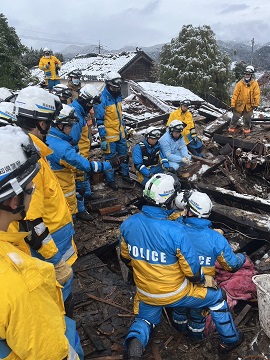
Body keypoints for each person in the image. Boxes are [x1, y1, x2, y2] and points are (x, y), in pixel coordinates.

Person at [119, 173, 244, 359]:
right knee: (217, 298)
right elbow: (192, 272)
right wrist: (205, 280)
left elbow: (125, 258)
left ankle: (135, 340)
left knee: (145, 319)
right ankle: (230, 339)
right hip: (176, 291)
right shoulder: (176, 231)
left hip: (146, 292)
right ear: (168, 201)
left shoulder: (129, 224)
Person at [0, 125, 82, 359]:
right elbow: (53, 352)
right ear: (13, 200)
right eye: (29, 188)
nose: (33, 190)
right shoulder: (22, 284)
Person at [14, 86, 77, 314]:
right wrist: (56, 260)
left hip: (55, 239)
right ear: (41, 122)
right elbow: (31, 221)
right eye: (49, 121)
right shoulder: (31, 160)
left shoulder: (24, 149)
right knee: (59, 295)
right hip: (52, 245)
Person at [171, 190, 246, 341]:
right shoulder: (216, 238)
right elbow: (231, 266)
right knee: (198, 315)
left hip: (177, 284)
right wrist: (242, 257)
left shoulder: (173, 228)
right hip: (202, 286)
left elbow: (174, 217)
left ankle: (178, 329)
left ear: (190, 212)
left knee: (179, 310)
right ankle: (196, 338)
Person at [46, 104, 114, 220]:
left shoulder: (48, 137)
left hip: (51, 187)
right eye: (70, 126)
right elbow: (85, 166)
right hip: (62, 189)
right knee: (67, 216)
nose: (72, 129)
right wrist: (108, 164)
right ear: (60, 125)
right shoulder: (62, 148)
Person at [94, 71, 133, 190]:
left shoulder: (118, 96)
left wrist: (124, 130)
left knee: (124, 156)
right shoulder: (102, 99)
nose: (115, 89)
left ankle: (125, 175)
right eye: (113, 87)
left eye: (117, 87)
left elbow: (120, 116)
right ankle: (110, 180)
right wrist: (103, 138)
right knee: (110, 159)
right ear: (108, 85)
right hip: (109, 136)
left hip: (120, 134)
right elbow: (99, 120)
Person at [70, 84, 103, 221]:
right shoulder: (75, 116)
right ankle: (81, 209)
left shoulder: (80, 112)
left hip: (84, 152)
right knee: (80, 183)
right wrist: (78, 158)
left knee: (85, 179)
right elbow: (72, 141)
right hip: (78, 155)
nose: (91, 108)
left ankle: (88, 194)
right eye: (91, 105)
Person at [229, 65, 260, 135]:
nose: (247, 76)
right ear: (244, 74)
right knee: (234, 119)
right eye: (246, 74)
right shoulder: (239, 84)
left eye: (248, 74)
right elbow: (235, 95)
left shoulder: (254, 84)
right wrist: (233, 104)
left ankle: (246, 134)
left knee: (247, 121)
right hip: (239, 105)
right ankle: (230, 132)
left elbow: (257, 94)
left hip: (249, 106)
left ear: (251, 75)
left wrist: (256, 104)